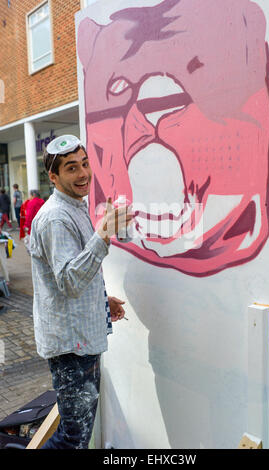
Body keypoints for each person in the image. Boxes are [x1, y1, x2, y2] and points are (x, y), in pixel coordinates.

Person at [30, 134, 134, 449]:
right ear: (53, 176)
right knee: (72, 438)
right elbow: (70, 282)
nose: (83, 174)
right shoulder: (55, 218)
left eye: (85, 164)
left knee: (79, 434)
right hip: (71, 348)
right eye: (71, 168)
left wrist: (101, 302)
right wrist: (104, 234)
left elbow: (68, 276)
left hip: (81, 340)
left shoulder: (75, 206)